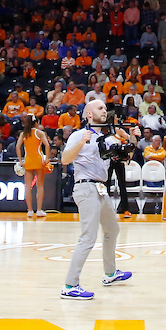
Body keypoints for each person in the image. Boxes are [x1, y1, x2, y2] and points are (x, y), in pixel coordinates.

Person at [60, 99, 134, 300]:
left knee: (113, 229)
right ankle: (70, 285)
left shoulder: (107, 139)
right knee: (88, 237)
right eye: (100, 108)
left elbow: (127, 157)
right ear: (89, 115)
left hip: (101, 188)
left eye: (105, 108)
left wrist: (128, 140)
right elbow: (65, 159)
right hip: (85, 187)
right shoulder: (78, 135)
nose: (104, 110)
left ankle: (110, 273)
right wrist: (81, 141)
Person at [17, 113, 51, 218]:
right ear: (36, 123)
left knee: (28, 186)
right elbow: (47, 145)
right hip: (39, 160)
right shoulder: (39, 133)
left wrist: (20, 160)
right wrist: (47, 158)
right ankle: (39, 210)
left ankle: (30, 210)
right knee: (39, 186)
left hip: (28, 161)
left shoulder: (24, 134)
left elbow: (18, 147)